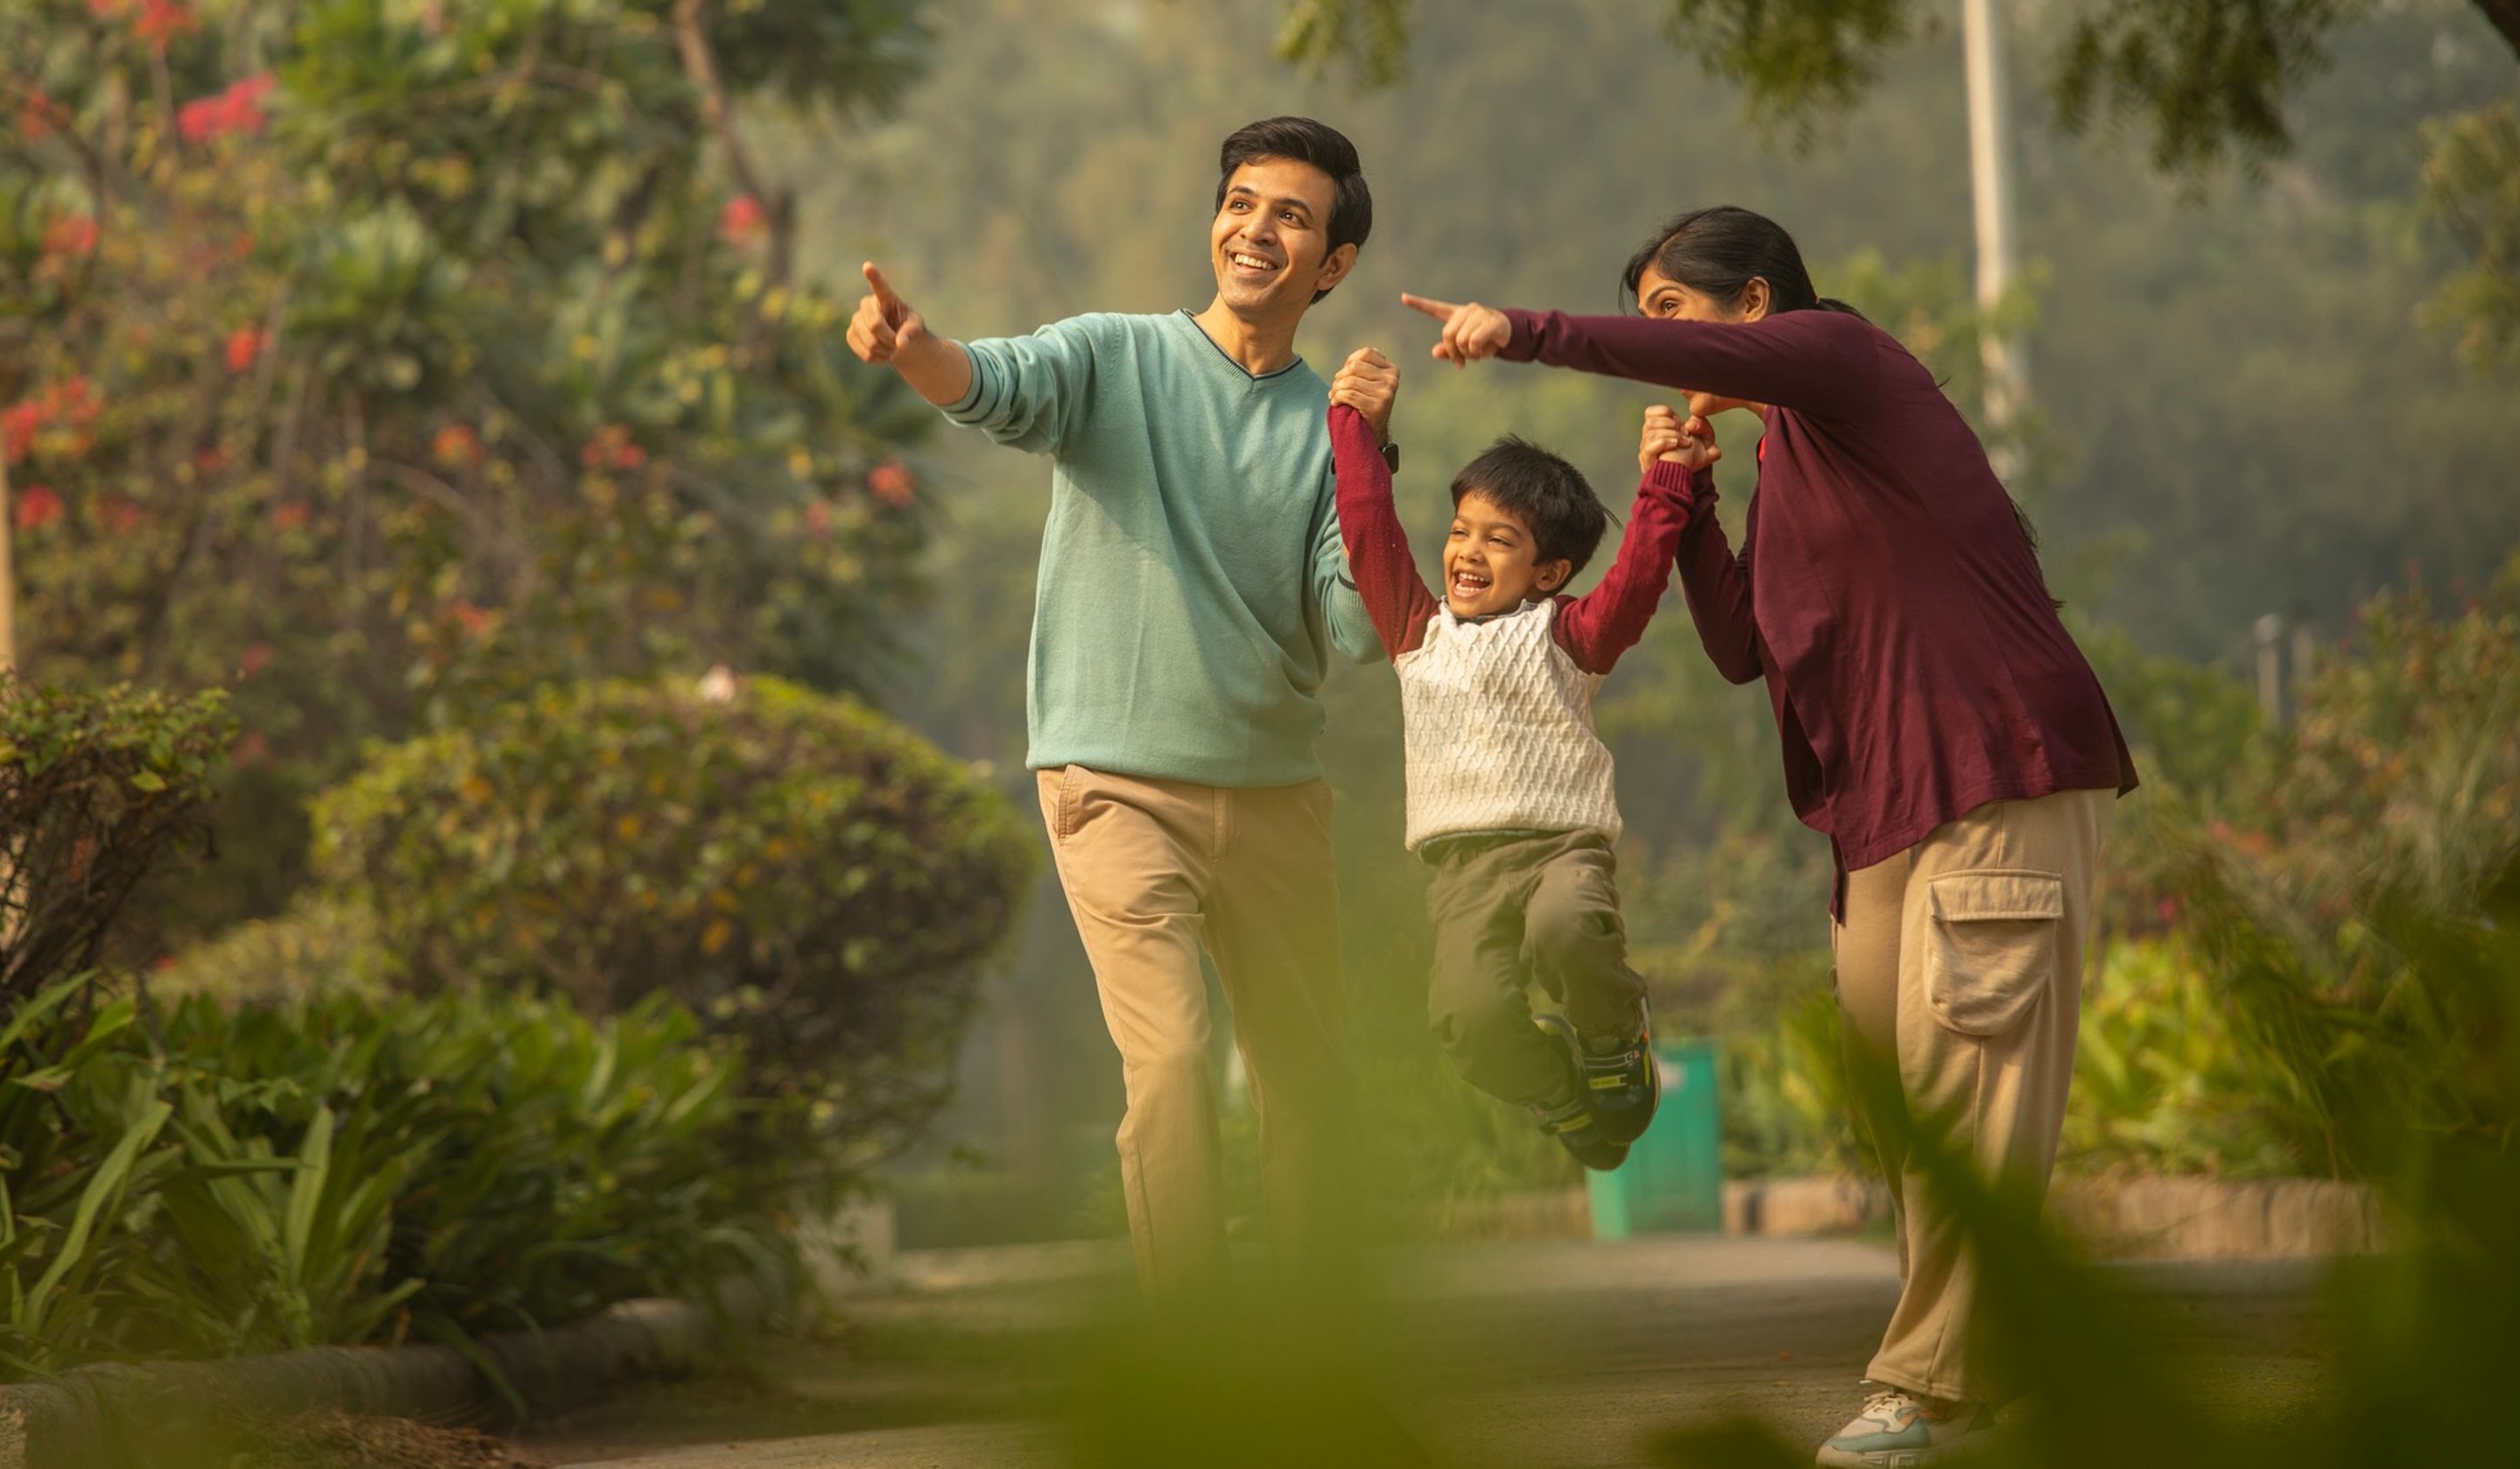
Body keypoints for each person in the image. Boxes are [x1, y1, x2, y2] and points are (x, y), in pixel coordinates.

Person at [1403, 205, 2137, 1466]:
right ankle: (2008, 1364)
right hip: (1883, 808)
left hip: (1993, 764)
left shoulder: (1844, 364)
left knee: (1966, 1088)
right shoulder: (1792, 458)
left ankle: (1926, 1385)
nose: (1657, 340)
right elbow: (1748, 650)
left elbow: (1713, 362)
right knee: (1903, 1095)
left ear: (1757, 309)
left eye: (1670, 313)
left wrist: (1520, 330)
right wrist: (1682, 498)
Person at [845, 117, 1388, 1300]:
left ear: (1332, 264)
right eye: (1240, 202)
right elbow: (993, 388)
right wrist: (915, 346)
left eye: (1290, 214)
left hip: (1278, 792)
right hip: (1114, 782)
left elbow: (1359, 627)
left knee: (1309, 1083)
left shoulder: (1333, 429)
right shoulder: (1114, 359)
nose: (1255, 229)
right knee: (1178, 1062)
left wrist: (1368, 460)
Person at [1324, 349, 1705, 1168]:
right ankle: (1558, 1089)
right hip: (1463, 869)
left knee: (1567, 929)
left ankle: (1613, 1038)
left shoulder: (1567, 636)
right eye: (1461, 530)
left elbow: (1638, 579)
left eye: (1499, 540)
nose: (1466, 551)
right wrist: (1356, 424)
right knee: (1467, 1019)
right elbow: (1365, 520)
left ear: (1549, 572)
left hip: (1561, 848)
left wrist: (1665, 480)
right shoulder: (1414, 634)